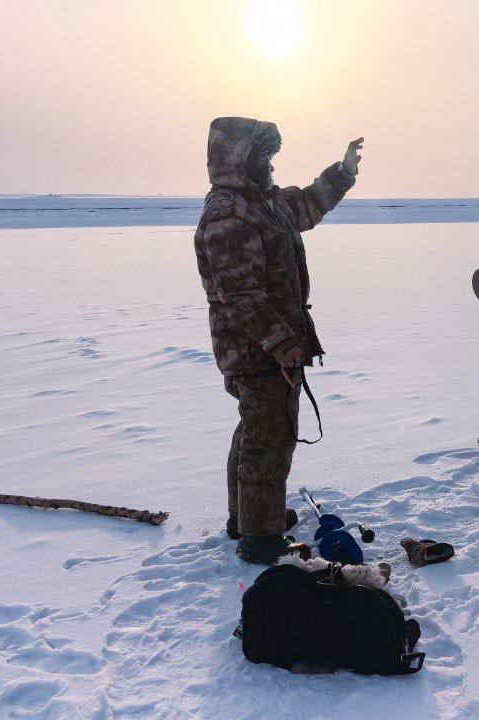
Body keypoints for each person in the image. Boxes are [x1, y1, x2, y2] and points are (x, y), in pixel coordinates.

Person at [194, 116, 363, 563]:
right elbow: (241, 297)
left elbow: (306, 205)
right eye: (260, 155)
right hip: (255, 350)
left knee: (256, 430)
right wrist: (283, 345)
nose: (268, 164)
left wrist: (341, 174)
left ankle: (248, 518)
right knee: (268, 438)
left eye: (270, 155)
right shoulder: (228, 214)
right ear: (237, 158)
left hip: (267, 346)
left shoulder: (262, 201)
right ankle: (261, 538)